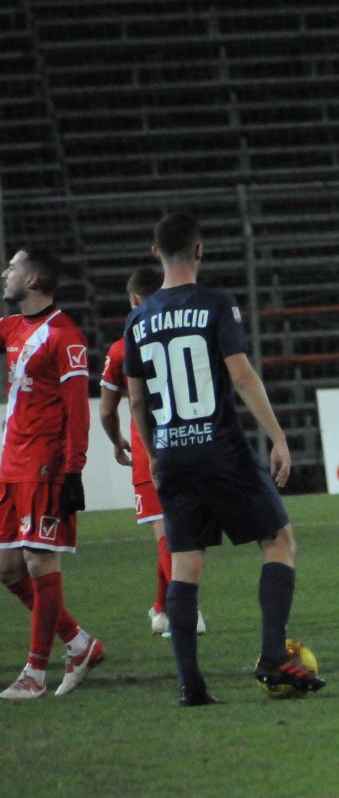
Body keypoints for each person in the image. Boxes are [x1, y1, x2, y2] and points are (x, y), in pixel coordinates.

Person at [125, 213, 323, 706]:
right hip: (220, 448)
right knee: (279, 541)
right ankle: (273, 656)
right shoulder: (215, 303)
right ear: (200, 251)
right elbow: (241, 376)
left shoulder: (137, 319)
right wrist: (278, 438)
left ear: (155, 253)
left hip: (171, 452)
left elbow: (137, 400)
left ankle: (190, 685)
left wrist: (154, 455)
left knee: (185, 564)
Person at [0, 247, 105, 700]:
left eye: (12, 268)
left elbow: (78, 410)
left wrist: (74, 470)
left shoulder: (65, 337)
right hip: (10, 465)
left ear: (33, 280)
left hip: (45, 467)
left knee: (40, 562)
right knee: (7, 568)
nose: (5, 273)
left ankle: (35, 673)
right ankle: (79, 644)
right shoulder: (11, 328)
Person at [99, 265, 205, 637]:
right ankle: (162, 609)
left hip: (151, 452)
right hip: (192, 440)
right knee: (183, 532)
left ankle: (187, 612)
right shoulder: (185, 336)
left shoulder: (121, 348)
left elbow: (107, 410)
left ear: (133, 300)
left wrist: (116, 441)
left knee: (166, 534)